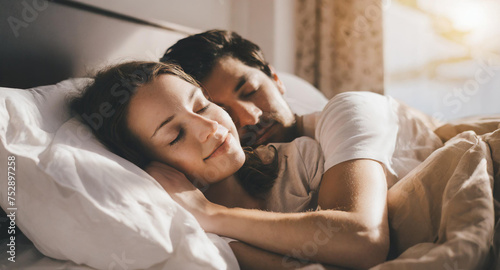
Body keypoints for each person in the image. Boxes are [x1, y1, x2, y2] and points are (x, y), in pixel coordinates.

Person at [71, 61, 396, 269]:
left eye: (202, 105)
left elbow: (362, 241)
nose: (210, 128)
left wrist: (213, 215)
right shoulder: (188, 237)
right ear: (149, 167)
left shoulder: (300, 160)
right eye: (175, 135)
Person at [160, 30, 301, 148]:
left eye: (250, 91)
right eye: (224, 112)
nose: (249, 119)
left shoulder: (323, 127)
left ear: (276, 79)